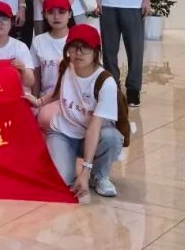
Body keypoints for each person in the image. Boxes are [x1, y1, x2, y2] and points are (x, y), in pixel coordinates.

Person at [26, 24, 124, 201]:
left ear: (96, 51)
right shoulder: (66, 66)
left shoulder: (106, 82)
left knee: (112, 137)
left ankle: (99, 175)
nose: (78, 53)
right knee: (60, 180)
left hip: (92, 135)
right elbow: (58, 91)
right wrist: (39, 102)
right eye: (73, 46)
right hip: (63, 133)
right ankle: (70, 169)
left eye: (85, 47)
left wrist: (85, 171)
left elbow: (94, 127)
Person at [32, 0, 73, 99]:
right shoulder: (38, 41)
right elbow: (36, 76)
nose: (56, 17)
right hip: (46, 99)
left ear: (70, 14)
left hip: (74, 100)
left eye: (61, 12)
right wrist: (35, 102)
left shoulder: (78, 39)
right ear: (44, 15)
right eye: (51, 12)